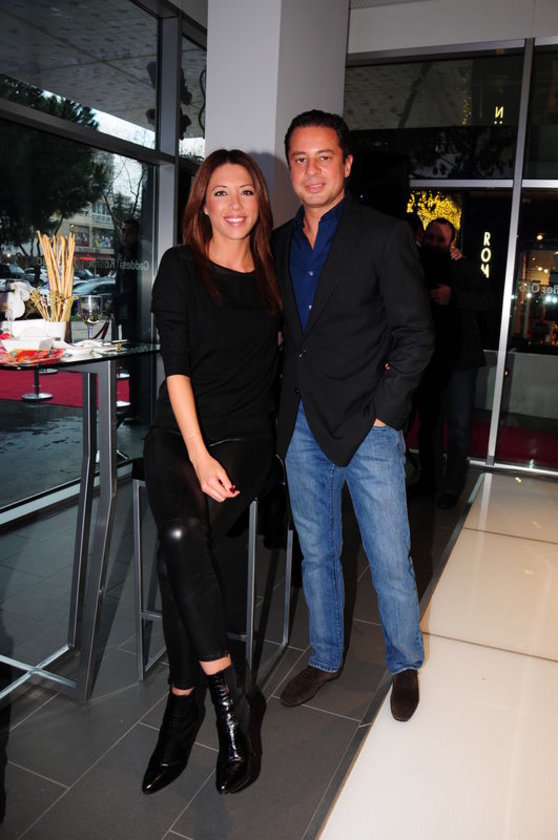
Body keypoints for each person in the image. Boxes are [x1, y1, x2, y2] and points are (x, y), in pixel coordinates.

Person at [273, 110, 433, 721]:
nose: (311, 170)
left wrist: (385, 414)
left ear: (345, 163)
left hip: (368, 426)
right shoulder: (278, 243)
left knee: (389, 556)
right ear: (291, 168)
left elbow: (416, 335)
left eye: (323, 157)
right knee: (318, 553)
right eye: (300, 159)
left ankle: (404, 661)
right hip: (302, 425)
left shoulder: (383, 236)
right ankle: (324, 656)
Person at [142, 149, 282, 796]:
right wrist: (197, 456)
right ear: (202, 203)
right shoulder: (180, 267)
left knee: (181, 548)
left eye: (245, 191)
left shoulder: (274, 273)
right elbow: (175, 367)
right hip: (180, 434)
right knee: (180, 537)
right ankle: (224, 700)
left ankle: (183, 705)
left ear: (260, 202)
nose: (233, 205)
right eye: (219, 192)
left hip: (246, 437)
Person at [414, 217, 496, 509]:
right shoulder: (415, 264)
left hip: (460, 359)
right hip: (428, 358)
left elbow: (489, 299)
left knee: (459, 426)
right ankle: (431, 481)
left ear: (452, 243)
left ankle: (451, 485)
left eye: (441, 239)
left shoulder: (464, 267)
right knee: (431, 425)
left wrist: (455, 296)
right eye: (431, 237)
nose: (434, 243)